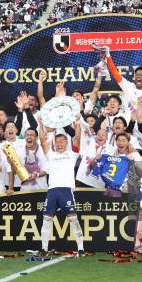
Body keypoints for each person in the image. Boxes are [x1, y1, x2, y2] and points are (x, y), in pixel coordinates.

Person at [37, 105, 84, 256]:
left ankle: (81, 249)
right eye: (57, 142)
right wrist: (40, 124)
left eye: (62, 141)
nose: (59, 143)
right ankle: (44, 248)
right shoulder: (51, 154)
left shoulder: (72, 154)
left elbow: (77, 138)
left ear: (66, 142)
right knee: (46, 219)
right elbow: (43, 140)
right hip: (52, 190)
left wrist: (77, 124)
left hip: (66, 189)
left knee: (73, 219)